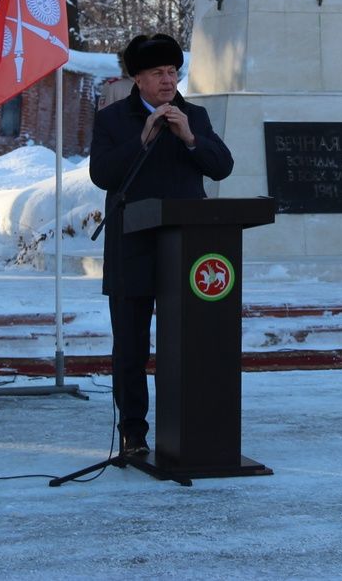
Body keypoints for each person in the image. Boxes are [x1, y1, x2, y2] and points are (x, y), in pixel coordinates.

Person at [89, 33, 234, 456]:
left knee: (184, 344)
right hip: (131, 246)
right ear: (138, 78)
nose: (168, 80)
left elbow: (222, 166)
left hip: (186, 248)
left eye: (172, 71)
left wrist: (190, 138)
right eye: (157, 73)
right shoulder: (113, 120)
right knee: (131, 349)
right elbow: (103, 175)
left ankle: (184, 427)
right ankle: (133, 432)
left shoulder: (196, 116)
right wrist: (143, 139)